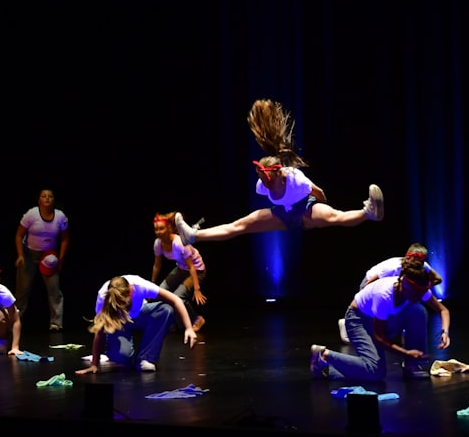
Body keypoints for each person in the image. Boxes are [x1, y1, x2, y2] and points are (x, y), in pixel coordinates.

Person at [174, 98, 383, 246]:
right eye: (262, 181)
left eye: (268, 182)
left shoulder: (294, 179)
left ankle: (369, 213)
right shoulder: (261, 183)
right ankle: (193, 236)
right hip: (282, 214)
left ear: (279, 177)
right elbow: (267, 195)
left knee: (336, 216)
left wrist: (321, 209)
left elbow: (317, 191)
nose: (265, 186)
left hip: (305, 209)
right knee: (238, 226)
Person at [309, 256, 450, 381]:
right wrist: (406, 352)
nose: (420, 297)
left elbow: (443, 310)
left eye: (422, 293)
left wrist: (445, 332)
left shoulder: (416, 291)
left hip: (381, 320)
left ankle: (411, 367)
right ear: (405, 285)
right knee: (375, 371)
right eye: (417, 293)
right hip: (359, 321)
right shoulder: (384, 296)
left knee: (418, 311)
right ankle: (324, 356)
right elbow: (380, 338)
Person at [75, 275, 197, 375]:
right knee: (123, 361)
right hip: (119, 323)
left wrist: (189, 328)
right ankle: (114, 355)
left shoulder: (140, 286)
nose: (123, 306)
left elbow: (175, 300)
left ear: (131, 292)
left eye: (124, 302)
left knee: (165, 310)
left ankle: (146, 358)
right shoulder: (104, 296)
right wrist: (94, 364)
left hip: (139, 315)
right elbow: (100, 331)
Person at [337, 242, 442, 343]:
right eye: (414, 261)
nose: (416, 264)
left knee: (408, 308)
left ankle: (404, 333)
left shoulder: (422, 267)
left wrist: (420, 288)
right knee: (373, 317)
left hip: (396, 289)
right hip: (374, 286)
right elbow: (368, 285)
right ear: (407, 258)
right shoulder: (393, 267)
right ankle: (348, 324)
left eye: (420, 262)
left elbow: (438, 279)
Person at [14, 188, 68, 331]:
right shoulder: (31, 214)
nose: (47, 198)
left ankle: (56, 324)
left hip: (49, 257)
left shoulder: (60, 217)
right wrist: (20, 255)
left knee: (54, 291)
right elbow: (19, 236)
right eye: (43, 196)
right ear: (39, 200)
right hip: (29, 255)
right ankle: (15, 322)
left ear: (53, 200)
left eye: (50, 196)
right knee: (22, 291)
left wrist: (60, 260)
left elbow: (65, 239)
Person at [151, 212, 206, 333]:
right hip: (181, 268)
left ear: (169, 228)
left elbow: (191, 266)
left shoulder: (179, 243)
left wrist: (197, 289)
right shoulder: (158, 244)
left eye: (161, 228)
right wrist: (152, 284)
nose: (159, 232)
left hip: (197, 270)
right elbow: (157, 265)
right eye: (156, 229)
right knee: (161, 292)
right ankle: (173, 323)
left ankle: (197, 318)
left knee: (178, 297)